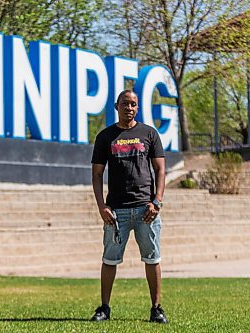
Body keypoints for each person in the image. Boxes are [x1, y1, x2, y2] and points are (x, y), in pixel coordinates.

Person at [90, 89, 168, 323]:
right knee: (109, 260)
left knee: (152, 258)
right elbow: (96, 174)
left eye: (133, 104)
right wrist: (102, 206)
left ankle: (156, 309)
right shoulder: (106, 136)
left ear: (137, 107)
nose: (129, 108)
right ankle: (104, 308)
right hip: (117, 211)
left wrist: (157, 201)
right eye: (125, 103)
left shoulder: (149, 133)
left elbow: (161, 170)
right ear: (117, 106)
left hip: (146, 210)